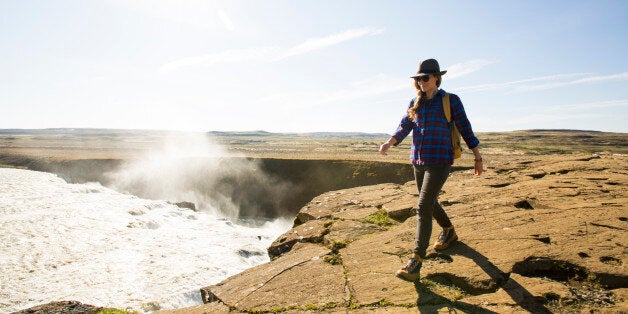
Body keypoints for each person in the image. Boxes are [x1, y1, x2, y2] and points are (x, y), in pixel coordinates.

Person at [379, 58, 483, 283]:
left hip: (440, 161)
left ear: (436, 77)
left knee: (423, 206)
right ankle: (449, 231)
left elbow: (465, 127)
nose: (421, 82)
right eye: (418, 79)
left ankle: (416, 261)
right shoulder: (415, 102)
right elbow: (404, 126)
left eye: (425, 78)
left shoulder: (450, 100)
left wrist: (477, 156)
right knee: (430, 201)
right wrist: (390, 142)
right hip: (418, 160)